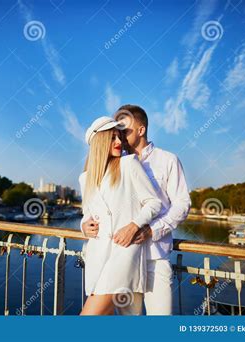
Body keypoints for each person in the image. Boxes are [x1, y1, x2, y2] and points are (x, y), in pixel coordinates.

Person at [82, 105, 191, 315]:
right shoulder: (115, 163)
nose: (120, 136)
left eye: (124, 129)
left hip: (154, 257)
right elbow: (96, 207)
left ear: (141, 130)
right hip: (122, 258)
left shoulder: (168, 160)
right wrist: (84, 225)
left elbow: (182, 204)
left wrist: (151, 230)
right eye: (116, 131)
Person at [79, 116, 163, 315]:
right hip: (98, 255)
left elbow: (154, 203)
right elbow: (87, 213)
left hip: (125, 253)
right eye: (113, 138)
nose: (119, 142)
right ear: (99, 143)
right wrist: (84, 226)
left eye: (119, 137)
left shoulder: (128, 164)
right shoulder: (85, 178)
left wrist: (133, 226)